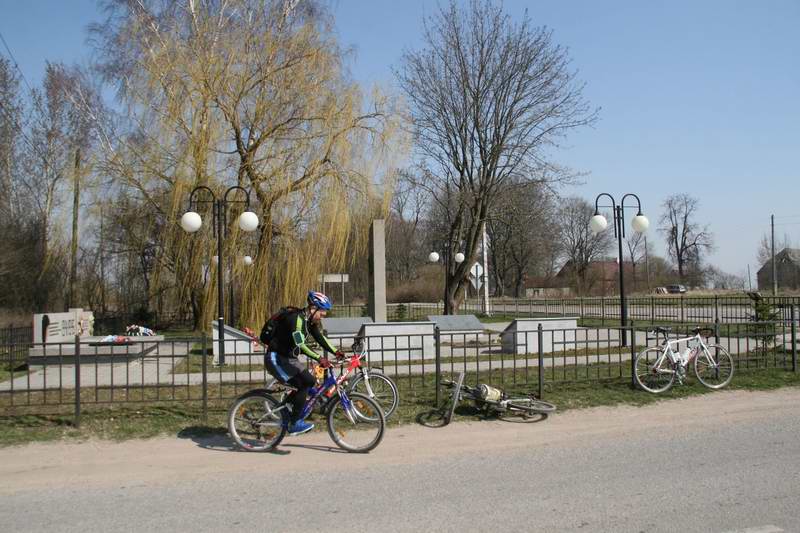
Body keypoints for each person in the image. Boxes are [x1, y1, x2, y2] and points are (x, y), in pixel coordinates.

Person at [264, 291, 344, 435]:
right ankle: (293, 424)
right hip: (276, 359)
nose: (322, 317)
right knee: (303, 384)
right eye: (322, 314)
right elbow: (300, 344)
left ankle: (288, 409)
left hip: (288, 359)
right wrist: (320, 359)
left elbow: (320, 338)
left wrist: (336, 351)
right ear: (313, 308)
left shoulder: (309, 321)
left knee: (310, 381)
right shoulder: (296, 320)